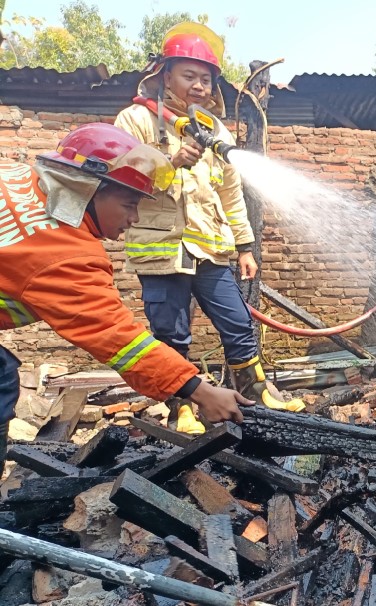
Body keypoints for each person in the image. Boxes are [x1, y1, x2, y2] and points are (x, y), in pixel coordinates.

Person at [0, 122, 251, 464]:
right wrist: (202, 392)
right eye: (129, 204)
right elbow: (121, 341)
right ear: (88, 188)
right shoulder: (64, 254)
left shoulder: (19, 177)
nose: (134, 218)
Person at [114, 22, 304, 433]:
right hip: (161, 250)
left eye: (206, 78)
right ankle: (181, 406)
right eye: (189, 76)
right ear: (165, 75)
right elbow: (119, 177)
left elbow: (230, 192)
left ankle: (255, 390)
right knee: (171, 330)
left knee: (237, 320)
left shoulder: (215, 130)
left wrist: (245, 246)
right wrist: (169, 163)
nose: (199, 86)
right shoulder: (135, 121)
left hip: (211, 248)